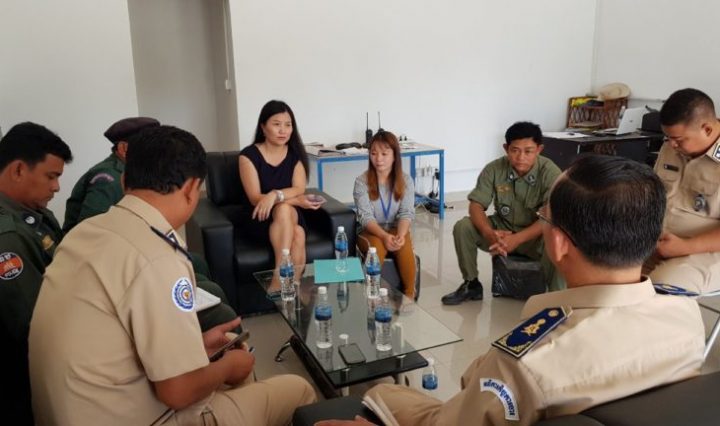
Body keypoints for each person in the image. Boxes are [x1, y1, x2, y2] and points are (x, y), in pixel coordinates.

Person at [355, 155, 705, 425]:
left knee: (383, 392)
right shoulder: (687, 316)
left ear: (559, 244)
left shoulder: (525, 363)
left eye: (544, 216)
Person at [29, 125, 316, 425]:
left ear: (125, 180)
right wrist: (228, 367)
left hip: (74, 409)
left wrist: (198, 345)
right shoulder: (158, 256)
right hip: (144, 418)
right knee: (299, 390)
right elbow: (177, 392)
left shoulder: (83, 233)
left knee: (228, 345)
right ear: (192, 190)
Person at [63, 116, 238, 331]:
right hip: (112, 273)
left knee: (198, 266)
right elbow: (94, 235)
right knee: (215, 302)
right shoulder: (108, 178)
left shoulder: (137, 175)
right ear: (124, 149)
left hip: (129, 259)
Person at [442, 121, 562, 305]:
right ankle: (471, 284)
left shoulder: (550, 173)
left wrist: (517, 239)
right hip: (501, 232)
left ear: (539, 149)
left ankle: (555, 299)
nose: (521, 157)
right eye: (515, 150)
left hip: (535, 238)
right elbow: (476, 205)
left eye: (528, 151)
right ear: (506, 148)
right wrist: (488, 233)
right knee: (463, 227)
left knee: (559, 238)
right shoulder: (494, 169)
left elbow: (550, 216)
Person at [0, 122, 73, 425]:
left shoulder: (32, 212)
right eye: (51, 176)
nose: (56, 187)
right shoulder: (8, 237)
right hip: (22, 379)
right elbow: (34, 329)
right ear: (18, 170)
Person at [646, 88, 720, 294]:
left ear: (707, 129)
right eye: (668, 137)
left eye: (678, 139)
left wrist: (685, 247)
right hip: (658, 242)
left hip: (706, 250)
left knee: (661, 289)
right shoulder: (671, 146)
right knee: (603, 273)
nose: (672, 145)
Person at [238, 100, 323, 272]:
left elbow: (298, 189)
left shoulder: (295, 155)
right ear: (263, 127)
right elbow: (255, 198)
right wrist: (295, 201)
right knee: (298, 233)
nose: (283, 130)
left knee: (285, 211)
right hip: (260, 216)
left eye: (288, 125)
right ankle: (287, 280)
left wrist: (274, 195)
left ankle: (281, 279)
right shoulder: (248, 156)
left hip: (290, 215)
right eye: (276, 124)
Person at [63, 116, 159, 233]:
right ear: (124, 149)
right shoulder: (109, 177)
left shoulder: (130, 174)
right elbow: (92, 232)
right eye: (149, 147)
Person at [353, 131, 417, 298]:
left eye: (384, 153)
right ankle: (369, 295)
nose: (378, 159)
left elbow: (406, 213)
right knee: (375, 247)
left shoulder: (406, 181)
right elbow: (366, 217)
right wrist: (384, 236)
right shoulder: (361, 182)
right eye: (374, 153)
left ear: (395, 155)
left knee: (402, 242)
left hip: (396, 228)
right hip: (370, 231)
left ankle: (409, 297)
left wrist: (401, 235)